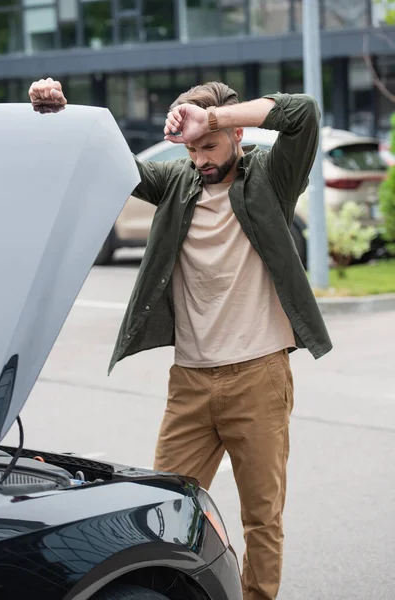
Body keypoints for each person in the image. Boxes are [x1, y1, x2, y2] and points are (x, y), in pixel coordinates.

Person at [29, 77, 332, 600]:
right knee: (160, 512)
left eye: (208, 146)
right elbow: (109, 162)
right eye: (190, 148)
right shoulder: (176, 184)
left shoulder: (272, 177)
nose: (199, 158)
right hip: (190, 382)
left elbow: (302, 112)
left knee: (262, 518)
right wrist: (59, 109)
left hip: (258, 377)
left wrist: (212, 118)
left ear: (235, 135)